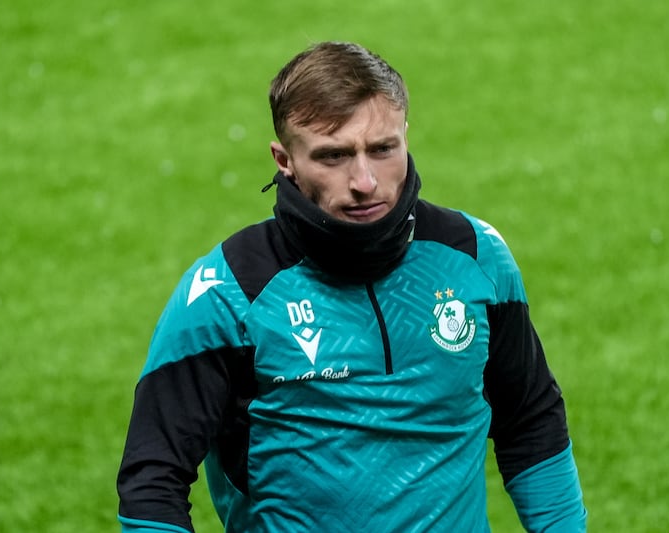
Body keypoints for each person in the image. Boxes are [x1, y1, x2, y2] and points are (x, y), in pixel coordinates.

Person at [117, 41, 587, 532]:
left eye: (383, 149)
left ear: (406, 134)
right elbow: (153, 480)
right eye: (333, 156)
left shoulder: (474, 256)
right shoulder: (228, 294)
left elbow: (530, 419)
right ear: (285, 159)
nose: (365, 181)